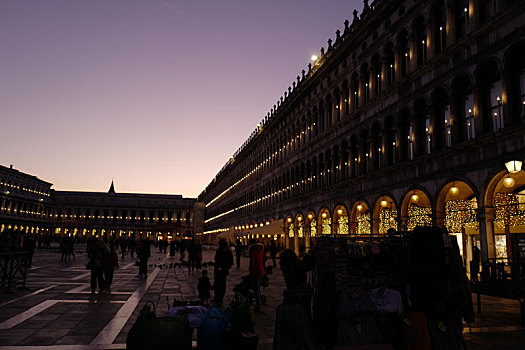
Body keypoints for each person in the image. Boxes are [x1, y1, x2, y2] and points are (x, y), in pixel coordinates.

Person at [214, 238, 233, 307]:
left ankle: (217, 298)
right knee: (222, 285)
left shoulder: (219, 251)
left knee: (217, 285)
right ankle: (220, 299)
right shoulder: (228, 251)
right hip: (224, 271)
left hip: (218, 270)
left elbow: (215, 259)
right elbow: (231, 262)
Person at [248, 239, 266, 312]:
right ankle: (258, 304)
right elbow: (265, 258)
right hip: (261, 271)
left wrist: (250, 270)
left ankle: (258, 306)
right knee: (258, 289)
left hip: (255, 271)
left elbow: (252, 262)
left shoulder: (252, 250)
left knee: (256, 290)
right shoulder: (261, 249)